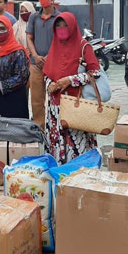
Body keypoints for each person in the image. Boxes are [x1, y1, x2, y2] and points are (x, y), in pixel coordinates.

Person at [43, 12, 102, 165]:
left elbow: (95, 72)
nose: (61, 29)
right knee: (57, 144)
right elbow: (47, 72)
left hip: (76, 105)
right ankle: (59, 177)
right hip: (55, 108)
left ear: (73, 27)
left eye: (65, 26)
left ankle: (78, 178)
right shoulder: (54, 46)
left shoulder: (83, 46)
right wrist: (50, 83)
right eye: (58, 26)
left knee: (76, 145)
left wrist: (70, 80)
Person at [26, 0, 59, 130]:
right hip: (35, 65)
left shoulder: (59, 18)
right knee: (37, 101)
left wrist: (48, 57)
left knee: (55, 98)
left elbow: (60, 40)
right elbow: (29, 38)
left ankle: (55, 129)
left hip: (54, 66)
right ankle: (39, 130)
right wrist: (35, 55)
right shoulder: (34, 17)